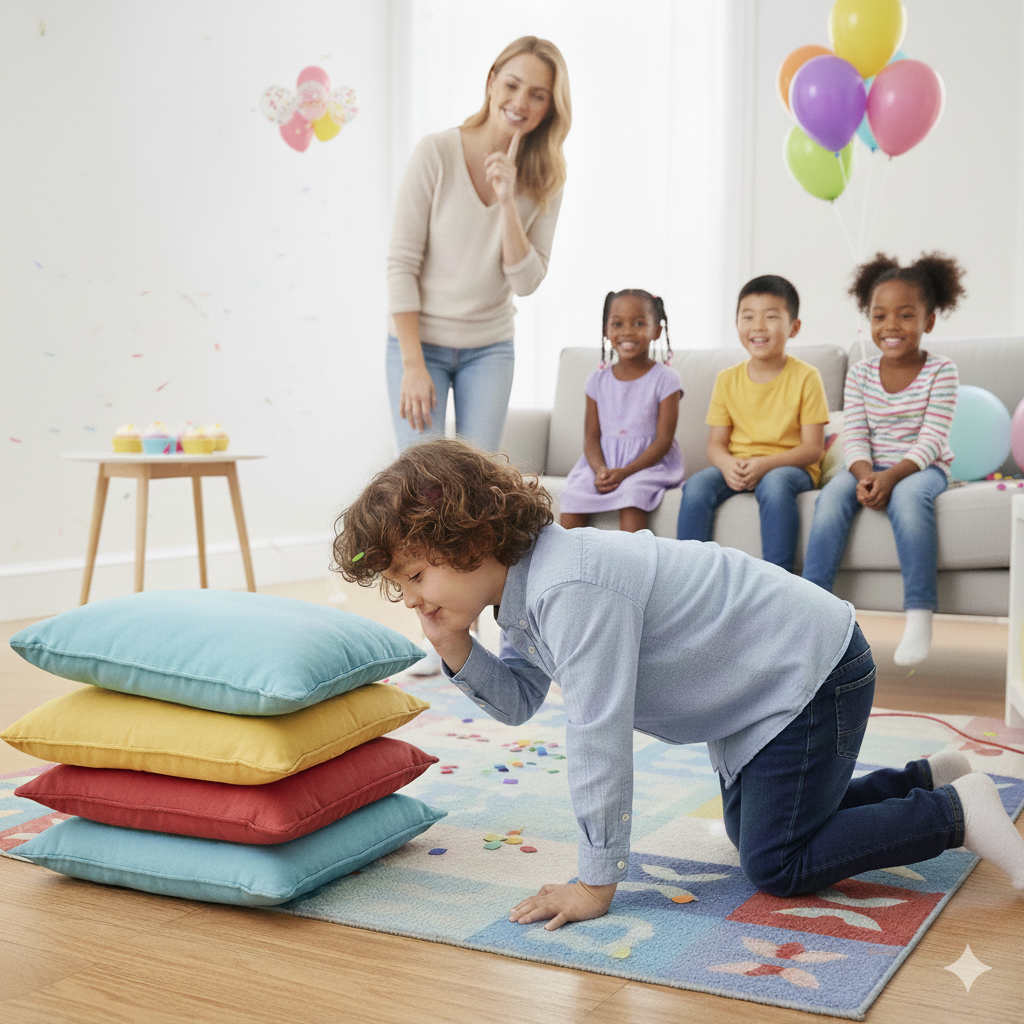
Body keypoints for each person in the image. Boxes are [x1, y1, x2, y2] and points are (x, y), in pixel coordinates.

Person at [334, 439, 1024, 931]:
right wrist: (456, 648)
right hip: (764, 689)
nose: (413, 598)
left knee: (778, 862)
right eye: (400, 586)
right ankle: (927, 779)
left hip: (809, 671)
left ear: (475, 537)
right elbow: (519, 701)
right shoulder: (523, 596)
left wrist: (597, 881)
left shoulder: (569, 587)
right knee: (754, 831)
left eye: (416, 575)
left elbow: (598, 736)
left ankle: (957, 813)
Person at [386, 36, 571, 453]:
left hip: (489, 349)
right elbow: (401, 265)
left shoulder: (547, 177)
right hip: (419, 344)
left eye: (537, 95)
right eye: (512, 85)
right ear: (491, 82)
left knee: (479, 480)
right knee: (422, 477)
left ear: (549, 107)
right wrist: (412, 365)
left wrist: (508, 201)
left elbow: (526, 282)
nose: (520, 102)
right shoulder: (436, 152)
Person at [802, 253, 965, 666]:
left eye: (905, 315)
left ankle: (919, 612)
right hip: (867, 466)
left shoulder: (942, 371)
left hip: (921, 467)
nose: (891, 325)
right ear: (869, 320)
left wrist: (890, 478)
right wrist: (864, 475)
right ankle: (811, 607)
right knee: (830, 500)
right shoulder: (860, 374)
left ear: (929, 321)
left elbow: (932, 439)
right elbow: (855, 434)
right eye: (880, 316)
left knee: (910, 501)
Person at [675, 275, 828, 572]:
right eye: (748, 317)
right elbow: (716, 445)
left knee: (775, 485)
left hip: (789, 467)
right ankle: (690, 575)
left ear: (794, 327)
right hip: (740, 465)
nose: (758, 326)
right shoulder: (727, 379)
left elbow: (813, 449)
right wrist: (727, 464)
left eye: (771, 317)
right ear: (737, 325)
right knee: (696, 487)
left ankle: (778, 578)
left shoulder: (807, 377)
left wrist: (764, 465)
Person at [559, 290, 684, 533]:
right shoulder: (596, 380)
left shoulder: (667, 379)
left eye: (639, 323)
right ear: (606, 330)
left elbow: (664, 441)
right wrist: (600, 470)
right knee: (574, 493)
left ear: (657, 331)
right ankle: (568, 555)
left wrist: (626, 472)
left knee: (632, 493)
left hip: (647, 465)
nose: (627, 331)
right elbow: (591, 438)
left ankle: (632, 557)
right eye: (617, 324)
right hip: (602, 463)